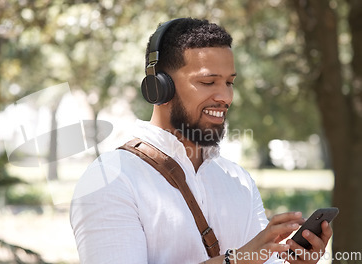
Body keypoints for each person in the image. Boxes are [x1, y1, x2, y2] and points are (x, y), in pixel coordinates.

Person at [70, 17, 332, 264]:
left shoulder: (238, 180)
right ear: (159, 87)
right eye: (208, 82)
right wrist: (235, 259)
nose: (225, 97)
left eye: (229, 82)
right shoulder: (110, 180)